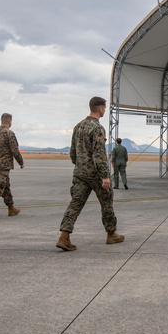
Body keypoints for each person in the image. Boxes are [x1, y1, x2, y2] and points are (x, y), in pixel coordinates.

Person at [56, 96, 124, 251]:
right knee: (106, 201)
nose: (105, 110)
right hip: (95, 174)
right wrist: (105, 176)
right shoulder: (97, 128)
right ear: (100, 108)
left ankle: (64, 236)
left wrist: (80, 165)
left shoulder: (78, 126)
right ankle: (111, 233)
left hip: (80, 172)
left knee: (76, 203)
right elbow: (99, 154)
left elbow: (73, 152)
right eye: (104, 108)